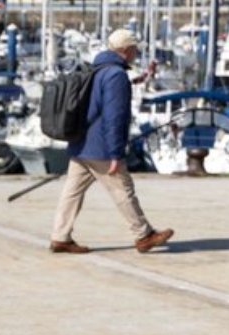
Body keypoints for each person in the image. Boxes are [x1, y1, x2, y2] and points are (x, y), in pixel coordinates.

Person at [49, 28, 174, 255]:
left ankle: (60, 236)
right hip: (101, 147)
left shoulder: (95, 69)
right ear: (125, 50)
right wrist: (115, 153)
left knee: (72, 191)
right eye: (135, 49)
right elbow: (114, 117)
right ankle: (143, 234)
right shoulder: (116, 75)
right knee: (122, 189)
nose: (137, 53)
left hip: (81, 142)